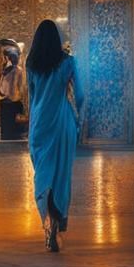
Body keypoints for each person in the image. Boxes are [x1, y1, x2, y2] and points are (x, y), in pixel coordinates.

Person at [26, 19, 85, 252]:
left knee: (44, 174)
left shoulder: (31, 64)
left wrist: (31, 128)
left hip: (40, 123)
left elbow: (31, 99)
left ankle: (48, 220)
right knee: (61, 175)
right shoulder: (68, 62)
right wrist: (79, 119)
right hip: (62, 122)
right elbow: (79, 95)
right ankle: (59, 224)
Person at [0, 46, 27, 140]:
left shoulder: (5, 70)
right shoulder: (18, 70)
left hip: (4, 100)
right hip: (14, 100)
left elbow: (2, 86)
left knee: (7, 127)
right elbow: (21, 86)